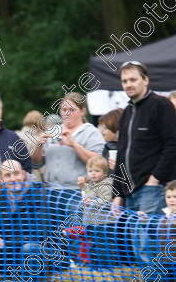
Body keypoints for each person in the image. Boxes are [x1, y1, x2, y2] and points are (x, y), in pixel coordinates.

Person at [112, 61, 176, 215]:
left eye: (133, 80)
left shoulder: (161, 105)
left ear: (146, 80)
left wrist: (154, 179)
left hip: (153, 190)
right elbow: (121, 154)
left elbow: (173, 144)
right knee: (136, 239)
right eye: (124, 81)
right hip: (129, 193)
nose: (128, 84)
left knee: (150, 239)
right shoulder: (126, 112)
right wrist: (117, 193)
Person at [33, 92, 105, 188]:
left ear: (82, 111)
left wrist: (74, 145)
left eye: (71, 110)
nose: (67, 113)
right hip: (50, 191)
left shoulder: (91, 132)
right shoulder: (52, 131)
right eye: (64, 109)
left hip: (77, 192)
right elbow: (36, 163)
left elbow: (99, 163)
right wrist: (39, 145)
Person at [65, 155, 114, 266]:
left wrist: (92, 202)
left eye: (97, 171)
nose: (93, 173)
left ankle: (107, 268)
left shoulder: (107, 184)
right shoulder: (92, 184)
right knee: (91, 246)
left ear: (105, 173)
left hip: (104, 224)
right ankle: (94, 266)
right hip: (92, 223)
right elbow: (89, 193)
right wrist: (83, 187)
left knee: (104, 247)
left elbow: (106, 201)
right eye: (90, 171)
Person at [16, 110, 46, 181]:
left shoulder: (16, 134)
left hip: (17, 175)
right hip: (34, 176)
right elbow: (40, 162)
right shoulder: (40, 138)